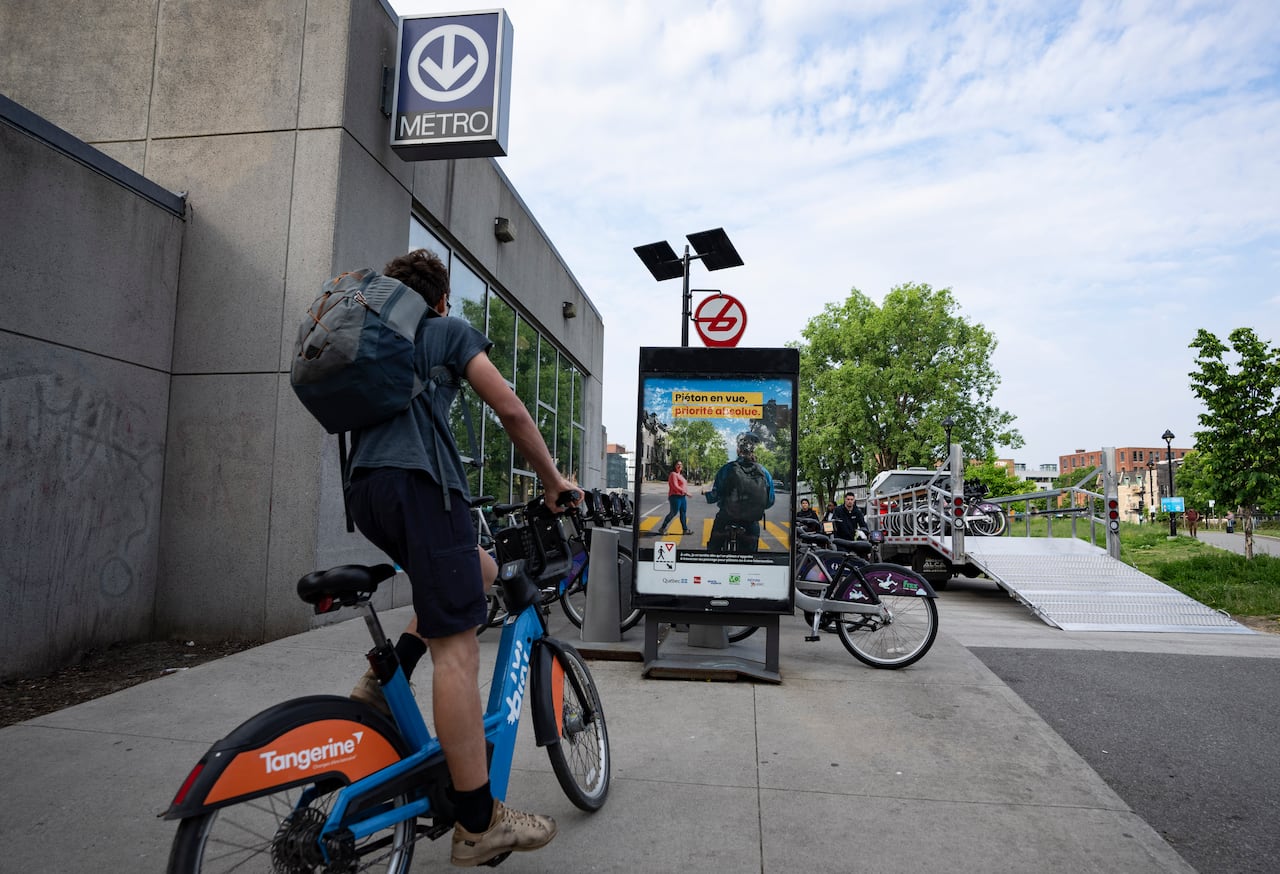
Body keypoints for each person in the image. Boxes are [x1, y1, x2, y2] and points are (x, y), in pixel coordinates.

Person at [343, 249, 576, 867]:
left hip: (368, 490)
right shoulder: (444, 329)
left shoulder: (379, 341)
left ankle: (380, 680)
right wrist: (553, 481)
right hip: (423, 485)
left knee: (473, 572)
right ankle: (478, 820)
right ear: (441, 300)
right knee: (460, 646)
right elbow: (511, 409)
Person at [704, 433, 775, 553]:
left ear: (738, 450)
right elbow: (769, 501)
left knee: (713, 548)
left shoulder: (727, 469)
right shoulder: (764, 472)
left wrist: (707, 495)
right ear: (753, 451)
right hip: (750, 522)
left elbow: (714, 496)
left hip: (726, 518)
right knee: (750, 554)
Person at [656, 460, 690, 536]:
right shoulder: (673, 474)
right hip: (675, 497)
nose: (679, 466)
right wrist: (686, 492)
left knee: (683, 513)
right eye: (678, 464)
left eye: (681, 465)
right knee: (673, 513)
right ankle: (662, 528)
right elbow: (675, 486)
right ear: (675, 466)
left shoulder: (681, 475)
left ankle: (685, 529)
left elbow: (683, 485)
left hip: (682, 497)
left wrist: (685, 492)